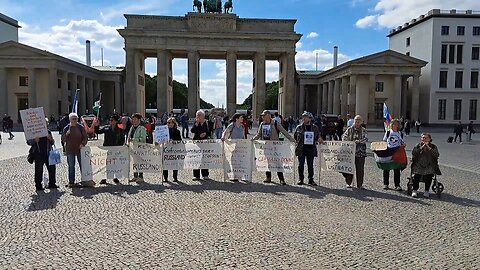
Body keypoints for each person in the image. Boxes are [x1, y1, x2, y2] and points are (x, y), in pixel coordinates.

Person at [252, 110, 295, 185]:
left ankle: (281, 179)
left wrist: (292, 140)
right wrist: (252, 140)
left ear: (268, 116)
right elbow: (259, 134)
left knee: (278, 162)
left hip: (275, 146)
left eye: (264, 116)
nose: (262, 117)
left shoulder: (275, 123)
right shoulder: (262, 124)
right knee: (267, 162)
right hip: (266, 146)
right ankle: (268, 177)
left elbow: (283, 132)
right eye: (262, 116)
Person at [94, 114, 125, 184]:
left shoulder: (120, 129)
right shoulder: (106, 128)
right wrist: (96, 125)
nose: (110, 121)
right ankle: (104, 178)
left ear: (116, 121)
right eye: (110, 120)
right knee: (106, 164)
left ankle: (115, 178)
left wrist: (120, 146)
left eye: (112, 120)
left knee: (115, 164)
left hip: (115, 149)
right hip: (107, 149)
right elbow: (97, 132)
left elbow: (122, 138)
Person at [27, 120, 57, 191]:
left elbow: (52, 143)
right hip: (38, 154)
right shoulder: (35, 132)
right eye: (44, 124)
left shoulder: (48, 132)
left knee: (52, 169)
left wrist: (50, 139)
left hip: (48, 154)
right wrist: (35, 140)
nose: (45, 125)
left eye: (46, 124)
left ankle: (52, 184)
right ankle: (38, 185)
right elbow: (29, 142)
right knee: (38, 170)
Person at [294, 112, 322, 186]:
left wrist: (319, 138)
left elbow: (318, 135)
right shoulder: (299, 127)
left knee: (310, 165)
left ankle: (311, 179)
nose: (304, 118)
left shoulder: (315, 127)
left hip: (311, 148)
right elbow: (295, 136)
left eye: (306, 117)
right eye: (303, 117)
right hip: (301, 148)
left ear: (310, 118)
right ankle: (301, 179)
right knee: (301, 165)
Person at [341, 115, 368, 189]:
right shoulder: (349, 129)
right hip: (350, 152)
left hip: (360, 152)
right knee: (349, 168)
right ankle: (348, 183)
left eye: (359, 121)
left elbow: (366, 139)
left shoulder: (364, 130)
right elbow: (344, 137)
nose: (357, 123)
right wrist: (350, 142)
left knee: (360, 169)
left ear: (361, 122)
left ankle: (360, 184)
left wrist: (358, 141)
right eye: (356, 121)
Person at [62, 112, 88, 188]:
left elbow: (85, 137)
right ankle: (71, 181)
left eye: (76, 119)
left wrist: (83, 144)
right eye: (73, 119)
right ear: (70, 119)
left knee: (82, 165)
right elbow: (63, 140)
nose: (74, 120)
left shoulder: (81, 127)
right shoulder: (66, 128)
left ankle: (84, 180)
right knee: (71, 166)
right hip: (70, 149)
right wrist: (66, 134)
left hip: (80, 149)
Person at [410, 133, 440, 198]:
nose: (424, 139)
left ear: (429, 139)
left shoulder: (433, 146)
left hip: (429, 164)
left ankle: (426, 191)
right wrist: (421, 147)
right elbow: (414, 153)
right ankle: (414, 190)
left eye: (426, 138)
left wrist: (429, 148)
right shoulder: (418, 145)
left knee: (428, 175)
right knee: (416, 176)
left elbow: (436, 155)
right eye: (423, 137)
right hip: (419, 164)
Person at [382, 119, 405, 191]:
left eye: (396, 124)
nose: (395, 126)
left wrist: (403, 145)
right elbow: (384, 141)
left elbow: (401, 142)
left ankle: (397, 185)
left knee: (397, 169)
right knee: (386, 168)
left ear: (398, 126)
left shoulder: (400, 133)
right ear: (391, 125)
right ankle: (386, 184)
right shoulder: (388, 132)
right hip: (388, 151)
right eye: (393, 124)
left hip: (397, 152)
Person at [191, 110, 212, 181]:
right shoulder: (195, 123)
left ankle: (205, 174)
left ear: (203, 116)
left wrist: (205, 133)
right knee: (196, 158)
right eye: (197, 115)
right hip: (196, 143)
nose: (198, 117)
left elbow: (211, 131)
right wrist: (196, 125)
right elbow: (192, 131)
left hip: (205, 142)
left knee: (205, 158)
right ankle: (196, 175)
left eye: (199, 115)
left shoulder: (207, 123)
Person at [127, 113, 148, 182]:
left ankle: (141, 177)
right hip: (133, 148)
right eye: (132, 119)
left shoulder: (142, 128)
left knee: (140, 162)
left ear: (139, 120)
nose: (133, 120)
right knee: (134, 162)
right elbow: (129, 136)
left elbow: (143, 139)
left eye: (135, 119)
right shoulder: (132, 127)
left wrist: (134, 140)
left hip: (140, 148)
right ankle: (135, 176)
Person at [163, 117, 182, 182]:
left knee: (174, 164)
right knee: (165, 164)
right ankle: (165, 178)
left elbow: (180, 140)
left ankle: (175, 177)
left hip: (174, 150)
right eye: (167, 122)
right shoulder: (164, 131)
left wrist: (174, 140)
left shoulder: (177, 131)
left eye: (169, 122)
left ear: (173, 123)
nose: (167, 124)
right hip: (166, 150)